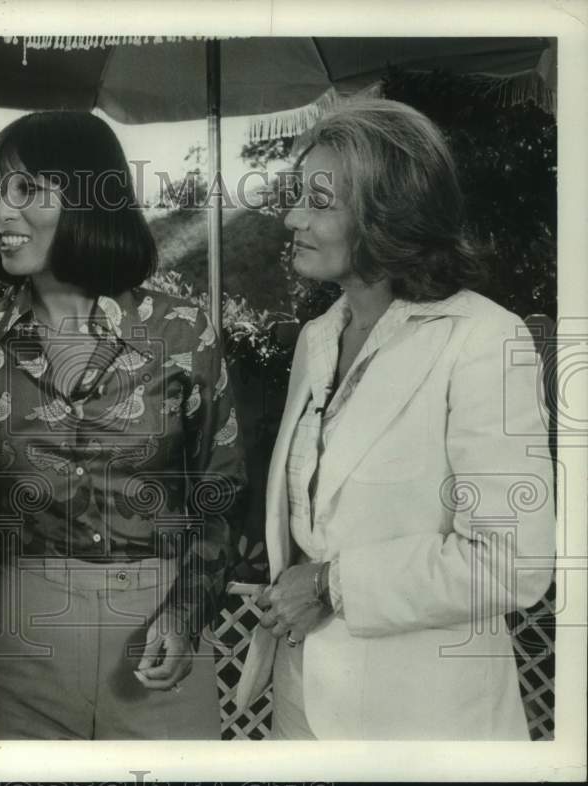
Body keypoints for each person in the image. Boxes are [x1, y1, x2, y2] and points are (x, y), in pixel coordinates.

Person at [236, 98, 555, 739]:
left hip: (422, 725)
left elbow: (514, 561)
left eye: (321, 203)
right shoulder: (318, 338)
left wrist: (331, 585)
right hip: (300, 707)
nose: (293, 218)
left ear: (392, 212)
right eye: (298, 197)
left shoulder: (485, 339)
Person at [0, 111, 251, 739]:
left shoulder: (183, 332)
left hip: (160, 625)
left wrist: (187, 614)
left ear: (87, 198)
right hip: (18, 629)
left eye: (26, 189)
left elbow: (222, 491)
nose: (0, 211)